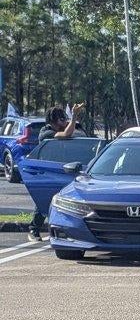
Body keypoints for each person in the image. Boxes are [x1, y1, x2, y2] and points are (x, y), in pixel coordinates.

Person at [26, 103, 85, 242]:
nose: (64, 121)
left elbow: (78, 136)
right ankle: (34, 229)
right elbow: (66, 134)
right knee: (45, 200)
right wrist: (74, 116)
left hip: (63, 169)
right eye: (62, 119)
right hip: (47, 170)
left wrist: (76, 124)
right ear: (53, 121)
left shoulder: (63, 129)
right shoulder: (46, 133)